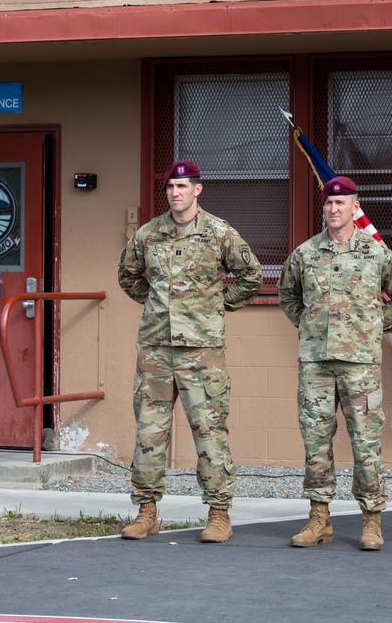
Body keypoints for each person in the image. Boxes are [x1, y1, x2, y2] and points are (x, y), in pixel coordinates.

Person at [117, 159, 262, 543]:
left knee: (209, 432)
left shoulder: (219, 233)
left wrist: (215, 305)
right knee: (150, 432)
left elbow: (251, 277)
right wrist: (156, 306)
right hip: (156, 350)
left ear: (198, 189)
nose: (175, 193)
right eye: (170, 188)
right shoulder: (149, 235)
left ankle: (218, 514)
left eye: (183, 187)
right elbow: (127, 276)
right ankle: (146, 511)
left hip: (202, 353)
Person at [278, 176, 392, 551]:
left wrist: (372, 328)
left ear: (356, 208)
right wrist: (311, 328)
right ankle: (319, 520)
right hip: (316, 365)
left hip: (360, 365)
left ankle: (371, 521)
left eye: (342, 203)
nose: (334, 209)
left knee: (366, 443)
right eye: (328, 204)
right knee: (315, 443)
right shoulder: (305, 254)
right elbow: (289, 297)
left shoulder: (377, 254)